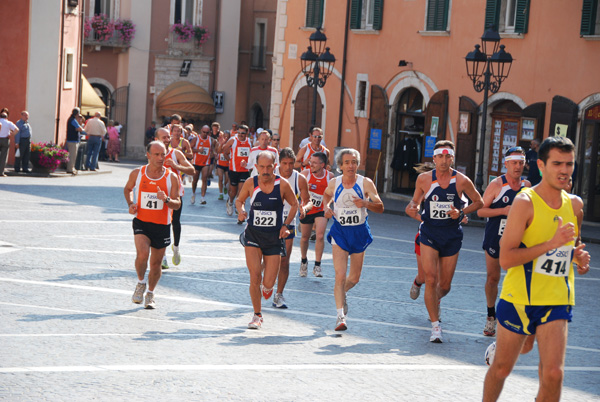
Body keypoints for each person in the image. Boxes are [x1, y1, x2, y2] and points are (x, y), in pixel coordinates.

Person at [483, 136, 591, 402]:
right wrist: (550, 243)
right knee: (501, 368)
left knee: (554, 374)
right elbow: (506, 259)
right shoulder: (524, 203)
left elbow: (571, 247)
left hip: (557, 298)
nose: (565, 170)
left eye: (569, 164)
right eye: (557, 164)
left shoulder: (575, 205)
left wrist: (578, 258)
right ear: (541, 165)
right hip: (520, 299)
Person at [405, 140, 483, 343]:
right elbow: (414, 203)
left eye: (448, 157)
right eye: (440, 156)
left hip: (452, 236)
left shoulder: (462, 180)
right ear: (434, 158)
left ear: (452, 158)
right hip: (429, 234)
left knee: (445, 285)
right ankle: (435, 326)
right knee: (430, 279)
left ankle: (434, 301)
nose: (444, 160)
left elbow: (479, 202)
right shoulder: (423, 179)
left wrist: (461, 212)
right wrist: (414, 210)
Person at [322, 148, 384, 331]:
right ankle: (340, 317)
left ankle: (343, 294)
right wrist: (326, 206)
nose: (351, 165)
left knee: (354, 278)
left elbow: (380, 207)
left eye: (354, 162)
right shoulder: (335, 183)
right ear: (340, 166)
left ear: (358, 164)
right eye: (347, 162)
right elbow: (326, 195)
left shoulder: (366, 183)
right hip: (340, 231)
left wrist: (365, 203)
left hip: (358, 232)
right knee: (340, 276)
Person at [236, 151, 299, 329]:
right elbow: (239, 201)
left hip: (274, 238)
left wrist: (286, 225)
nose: (265, 171)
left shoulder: (283, 184)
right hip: (253, 236)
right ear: (256, 167)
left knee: (269, 283)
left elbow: (295, 204)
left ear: (274, 166)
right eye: (261, 167)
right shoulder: (251, 183)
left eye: (269, 167)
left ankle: (268, 287)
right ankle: (257, 315)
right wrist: (241, 211)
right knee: (255, 275)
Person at [477, 146, 531, 337]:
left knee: (518, 280)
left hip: (517, 241)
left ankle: (514, 319)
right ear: (506, 164)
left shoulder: (527, 186)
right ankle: (491, 316)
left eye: (521, 163)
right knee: (493, 278)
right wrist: (503, 211)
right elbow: (480, 211)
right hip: (495, 237)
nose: (517, 166)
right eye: (514, 163)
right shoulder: (497, 185)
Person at [124, 140, 181, 309]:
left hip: (162, 225)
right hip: (141, 221)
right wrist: (130, 203)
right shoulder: (138, 173)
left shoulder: (171, 177)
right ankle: (141, 283)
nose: (160, 157)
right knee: (142, 254)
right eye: (156, 154)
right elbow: (127, 189)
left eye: (163, 154)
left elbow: (177, 204)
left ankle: (150, 292)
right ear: (148, 155)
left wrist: (167, 199)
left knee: (156, 264)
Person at [272, 147, 312, 308]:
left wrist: (304, 208)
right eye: (284, 163)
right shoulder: (270, 173)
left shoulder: (299, 179)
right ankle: (265, 283)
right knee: (266, 260)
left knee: (284, 261)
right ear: (278, 163)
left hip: (288, 223)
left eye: (291, 163)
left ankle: (279, 294)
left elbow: (308, 200)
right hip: (268, 223)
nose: (288, 167)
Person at [155, 127, 195, 267]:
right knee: (162, 223)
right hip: (159, 194)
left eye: (168, 137)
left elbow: (192, 170)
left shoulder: (175, 153)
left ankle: (176, 248)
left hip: (176, 194)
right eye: (164, 138)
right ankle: (163, 256)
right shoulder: (152, 154)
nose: (167, 140)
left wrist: (176, 166)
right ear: (156, 140)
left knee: (175, 222)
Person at [299, 152, 334, 277]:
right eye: (310, 162)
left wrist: (327, 205)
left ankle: (317, 265)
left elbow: (332, 195)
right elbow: (294, 191)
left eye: (314, 162)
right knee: (304, 238)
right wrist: (298, 204)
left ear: (322, 164)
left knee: (319, 236)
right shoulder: (305, 175)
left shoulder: (330, 177)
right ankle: (304, 261)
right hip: (307, 209)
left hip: (321, 210)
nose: (311, 164)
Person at [219, 124, 251, 223]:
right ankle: (230, 202)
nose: (240, 135)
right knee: (233, 192)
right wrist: (230, 158)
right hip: (234, 170)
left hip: (244, 171)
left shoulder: (249, 141)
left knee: (241, 192)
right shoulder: (233, 140)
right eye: (239, 133)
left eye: (243, 133)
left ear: (247, 133)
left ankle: (240, 210)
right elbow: (223, 150)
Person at [190, 125, 214, 205]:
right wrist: (198, 150)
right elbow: (190, 149)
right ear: (201, 131)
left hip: (206, 163)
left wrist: (213, 154)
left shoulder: (211, 140)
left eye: (207, 132)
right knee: (195, 180)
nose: (205, 134)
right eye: (204, 132)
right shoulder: (196, 139)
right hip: (196, 162)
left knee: (204, 179)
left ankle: (202, 198)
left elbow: (214, 149)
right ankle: (193, 193)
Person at [65, 108, 85, 175]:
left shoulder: (71, 119)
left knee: (73, 155)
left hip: (71, 139)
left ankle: (72, 168)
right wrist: (80, 129)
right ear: (77, 114)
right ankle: (70, 169)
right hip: (72, 140)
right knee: (72, 156)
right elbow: (80, 129)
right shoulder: (73, 120)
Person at [0, 111, 18, 177]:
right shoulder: (8, 123)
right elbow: (17, 129)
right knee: (3, 157)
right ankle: (1, 172)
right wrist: (11, 135)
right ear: (7, 117)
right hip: (5, 139)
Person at [216, 130, 231, 200]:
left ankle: (225, 186)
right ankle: (220, 193)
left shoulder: (231, 143)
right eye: (225, 137)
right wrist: (221, 144)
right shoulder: (220, 142)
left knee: (227, 180)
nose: (226, 138)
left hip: (227, 164)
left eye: (227, 137)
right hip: (220, 164)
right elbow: (218, 151)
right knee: (220, 178)